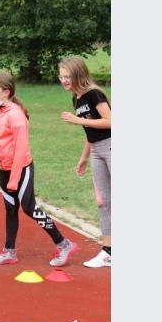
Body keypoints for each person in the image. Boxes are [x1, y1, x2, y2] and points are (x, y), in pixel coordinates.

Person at [0, 72, 78, 267]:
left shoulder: (16, 115)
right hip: (4, 169)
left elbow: (21, 150)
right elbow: (6, 145)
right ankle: (9, 252)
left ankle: (64, 244)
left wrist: (14, 179)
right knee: (10, 209)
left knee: (29, 208)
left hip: (21, 169)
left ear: (6, 92)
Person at [58, 57, 111, 268]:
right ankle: (108, 252)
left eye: (67, 76)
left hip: (111, 146)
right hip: (97, 150)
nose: (63, 80)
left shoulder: (93, 94)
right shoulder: (76, 98)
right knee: (103, 201)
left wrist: (78, 120)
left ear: (78, 74)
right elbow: (90, 132)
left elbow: (111, 121)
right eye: (61, 76)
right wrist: (84, 157)